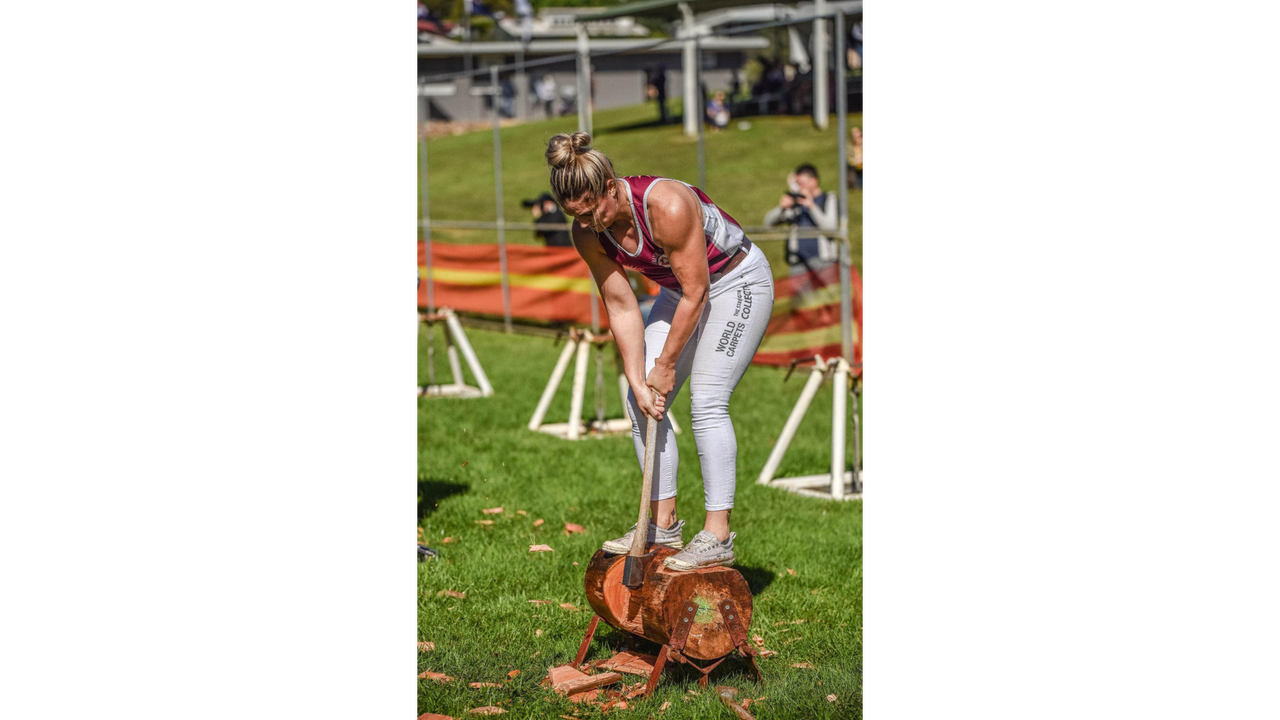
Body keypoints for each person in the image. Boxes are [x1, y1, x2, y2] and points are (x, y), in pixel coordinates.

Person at [546, 132, 774, 571]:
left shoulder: (666, 205)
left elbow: (698, 291)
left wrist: (665, 365)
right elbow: (620, 304)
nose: (590, 222)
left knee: (706, 400)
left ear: (610, 186)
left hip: (735, 282)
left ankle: (717, 535)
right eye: (578, 215)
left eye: (593, 209)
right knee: (641, 399)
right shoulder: (586, 233)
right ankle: (663, 523)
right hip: (681, 292)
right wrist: (637, 376)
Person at [763, 164, 838, 275]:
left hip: (825, 262)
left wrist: (811, 206)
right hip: (799, 264)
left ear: (814, 181)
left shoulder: (828, 199)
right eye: (797, 184)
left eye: (801, 184)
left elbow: (831, 229)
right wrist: (781, 208)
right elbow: (768, 223)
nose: (799, 187)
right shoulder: (795, 203)